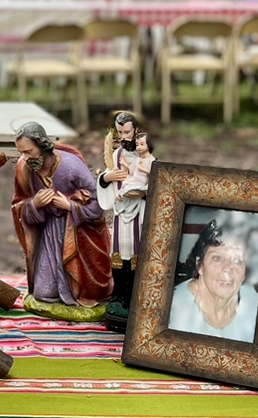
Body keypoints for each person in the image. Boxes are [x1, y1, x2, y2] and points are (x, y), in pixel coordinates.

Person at [11, 121, 112, 312]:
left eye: (28, 151)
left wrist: (71, 206)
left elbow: (99, 201)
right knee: (43, 293)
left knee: (79, 288)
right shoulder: (24, 169)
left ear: (42, 145)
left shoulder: (70, 166)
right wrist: (35, 205)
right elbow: (18, 205)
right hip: (48, 234)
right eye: (21, 152)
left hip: (76, 234)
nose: (24, 157)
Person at [167, 220, 258, 342]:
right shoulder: (173, 309)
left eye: (237, 261)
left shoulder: (253, 300)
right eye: (217, 258)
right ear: (200, 266)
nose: (227, 269)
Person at [98, 113, 153, 310]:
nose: (123, 137)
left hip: (140, 210)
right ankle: (119, 294)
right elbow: (108, 178)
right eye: (120, 132)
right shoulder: (117, 154)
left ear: (136, 131)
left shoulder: (148, 155)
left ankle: (135, 294)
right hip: (122, 213)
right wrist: (107, 178)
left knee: (138, 251)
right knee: (120, 251)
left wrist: (143, 193)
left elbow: (158, 182)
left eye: (127, 132)